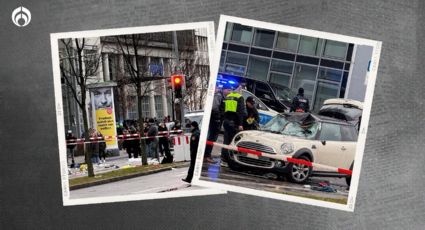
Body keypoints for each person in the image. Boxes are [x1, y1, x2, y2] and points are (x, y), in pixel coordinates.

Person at [221, 82, 246, 167]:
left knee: (225, 141)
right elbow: (240, 112)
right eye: (240, 88)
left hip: (226, 121)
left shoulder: (228, 96)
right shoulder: (240, 97)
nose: (241, 90)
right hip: (234, 123)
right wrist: (240, 124)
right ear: (237, 89)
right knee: (233, 143)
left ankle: (223, 159)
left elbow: (224, 110)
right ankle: (231, 161)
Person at [204, 87, 224, 163]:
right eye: (228, 90)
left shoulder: (220, 95)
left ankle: (207, 155)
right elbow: (214, 107)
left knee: (212, 138)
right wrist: (218, 117)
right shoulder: (219, 95)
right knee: (212, 138)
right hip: (215, 119)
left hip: (215, 119)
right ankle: (207, 156)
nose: (229, 92)